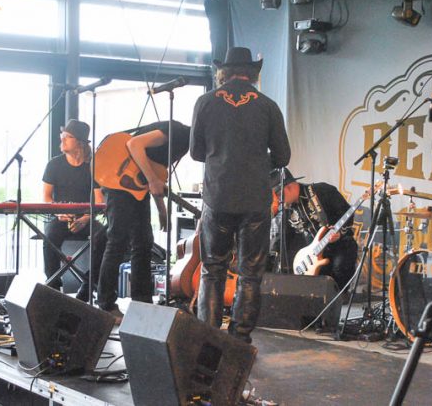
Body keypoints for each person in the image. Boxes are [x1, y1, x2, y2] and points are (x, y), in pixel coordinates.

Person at [190, 47, 291, 343]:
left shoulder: (205, 102)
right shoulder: (268, 106)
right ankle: (239, 340)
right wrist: (257, 163)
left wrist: (222, 157)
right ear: (253, 74)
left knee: (212, 269)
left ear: (223, 72)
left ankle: (208, 339)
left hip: (218, 195)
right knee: (250, 273)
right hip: (254, 198)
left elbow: (196, 152)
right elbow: (283, 156)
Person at [96, 120, 191, 322]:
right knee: (117, 241)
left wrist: (162, 209)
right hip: (120, 185)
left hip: (135, 188)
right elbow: (134, 144)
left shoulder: (184, 142)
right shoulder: (177, 131)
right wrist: (153, 180)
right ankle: (105, 305)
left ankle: (142, 302)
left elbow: (154, 174)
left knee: (143, 242)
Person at [42, 120, 106, 301]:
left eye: (67, 137)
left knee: (105, 237)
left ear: (80, 142)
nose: (62, 140)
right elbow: (46, 197)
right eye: (61, 136)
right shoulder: (54, 165)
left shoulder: (93, 166)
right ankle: (53, 286)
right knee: (49, 237)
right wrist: (59, 213)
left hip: (86, 217)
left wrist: (85, 218)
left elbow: (99, 200)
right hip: (61, 217)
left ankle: (88, 285)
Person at [271, 168, 358, 290]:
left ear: (287, 188)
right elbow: (283, 239)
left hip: (341, 246)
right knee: (316, 287)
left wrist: (339, 233)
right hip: (314, 255)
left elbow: (348, 213)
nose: (278, 201)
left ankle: (340, 295)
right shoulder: (287, 209)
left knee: (340, 267)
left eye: (278, 196)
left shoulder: (322, 190)